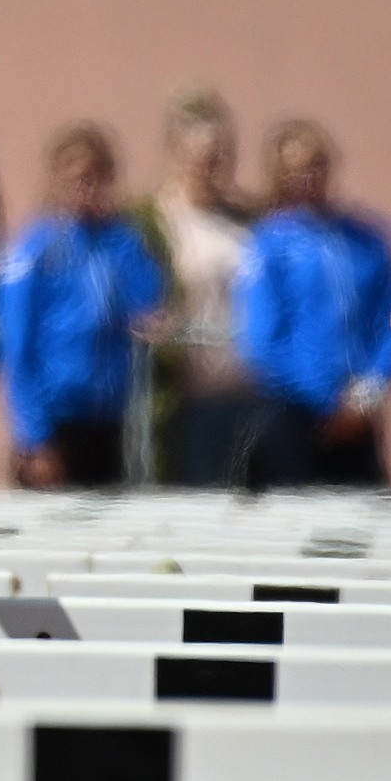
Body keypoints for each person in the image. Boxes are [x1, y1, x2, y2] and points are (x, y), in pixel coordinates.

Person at [0, 123, 168, 489]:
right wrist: (35, 437)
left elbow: (148, 303)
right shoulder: (35, 249)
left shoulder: (119, 241)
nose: (84, 187)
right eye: (74, 177)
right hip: (55, 420)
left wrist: (120, 231)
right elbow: (16, 349)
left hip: (106, 416)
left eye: (93, 177)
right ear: (56, 179)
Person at [238, 122, 391, 487]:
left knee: (366, 524)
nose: (307, 178)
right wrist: (325, 399)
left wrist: (370, 388)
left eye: (315, 165)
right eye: (294, 170)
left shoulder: (367, 238)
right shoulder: (268, 244)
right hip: (296, 412)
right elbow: (263, 339)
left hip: (358, 413)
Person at [145, 87, 258, 487]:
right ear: (176, 151)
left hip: (252, 397)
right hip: (190, 404)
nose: (211, 164)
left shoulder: (251, 221)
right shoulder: (151, 223)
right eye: (200, 155)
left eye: (220, 154)